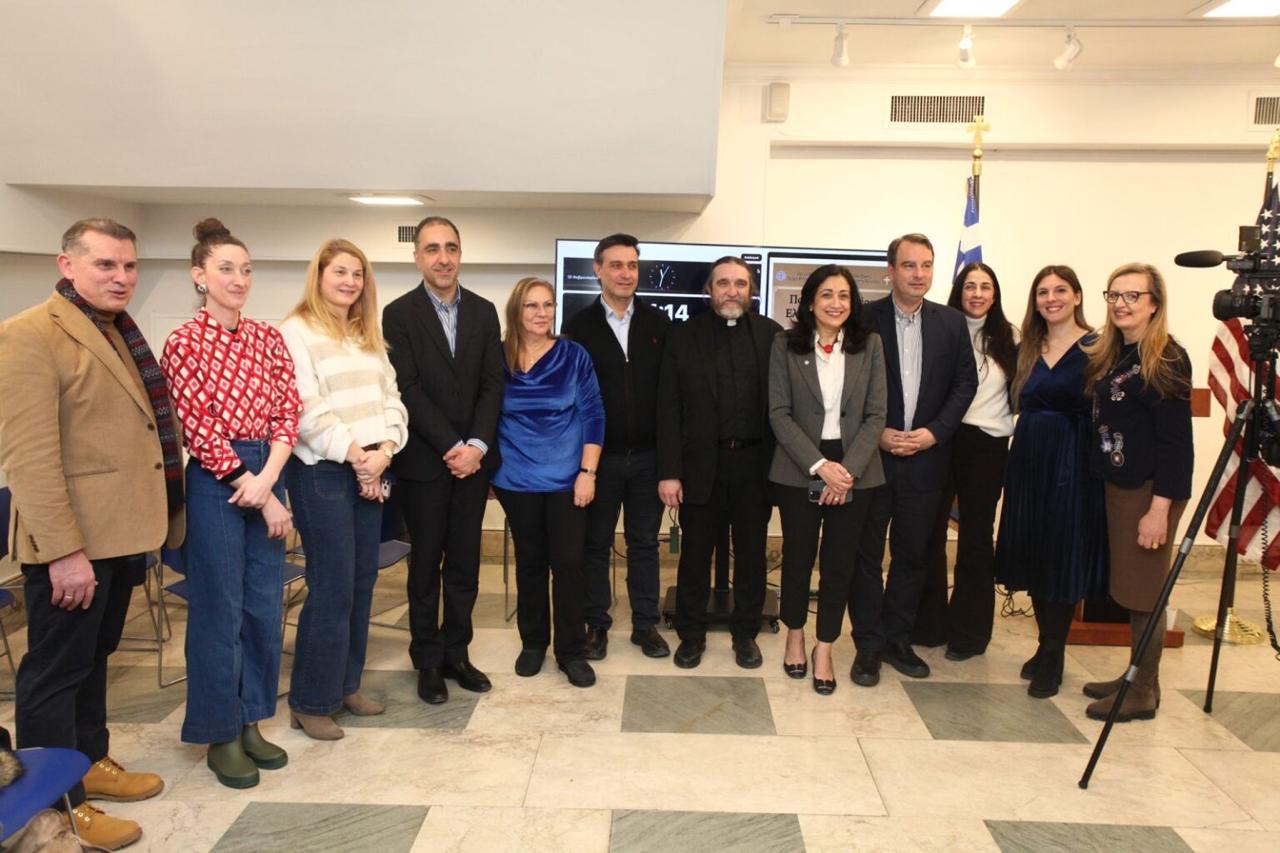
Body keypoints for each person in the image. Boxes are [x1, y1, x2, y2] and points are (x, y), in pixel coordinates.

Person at [0, 219, 184, 849]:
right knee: (54, 674)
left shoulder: (116, 330)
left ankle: (89, 760)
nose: (121, 277)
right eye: (106, 264)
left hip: (121, 532)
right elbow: (30, 459)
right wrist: (63, 553)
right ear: (67, 264)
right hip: (73, 545)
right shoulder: (29, 335)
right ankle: (54, 808)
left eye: (129, 265)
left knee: (95, 658)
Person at [162, 218, 301, 788]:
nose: (238, 279)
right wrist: (257, 490)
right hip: (218, 481)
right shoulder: (183, 343)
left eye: (245, 270)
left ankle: (251, 720)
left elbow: (288, 412)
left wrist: (268, 480)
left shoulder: (268, 337)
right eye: (225, 269)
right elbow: (199, 428)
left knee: (264, 606)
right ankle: (219, 731)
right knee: (220, 611)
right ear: (199, 276)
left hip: (268, 468)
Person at [280, 239, 408, 739]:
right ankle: (311, 701)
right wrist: (358, 457)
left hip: (371, 468)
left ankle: (346, 685)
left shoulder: (365, 334)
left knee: (360, 584)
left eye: (357, 274)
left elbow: (392, 398)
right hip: (324, 474)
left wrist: (385, 451)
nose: (350, 282)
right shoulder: (296, 331)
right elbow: (305, 407)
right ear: (319, 276)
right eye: (340, 272)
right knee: (331, 587)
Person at [382, 216, 504, 706]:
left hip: (473, 464)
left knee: (465, 564)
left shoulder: (484, 312)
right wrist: (452, 445)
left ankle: (457, 653)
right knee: (425, 566)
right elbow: (407, 388)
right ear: (417, 258)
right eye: (432, 249)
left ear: (460, 254)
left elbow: (493, 384)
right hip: (425, 464)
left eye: (450, 247)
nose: (443, 257)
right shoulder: (398, 314)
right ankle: (428, 661)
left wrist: (476, 446)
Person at [851, 235, 977, 687]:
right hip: (873, 460)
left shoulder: (951, 323)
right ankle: (868, 644)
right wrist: (877, 433)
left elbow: (964, 384)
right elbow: (847, 386)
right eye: (908, 265)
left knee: (913, 556)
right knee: (865, 556)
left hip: (926, 461)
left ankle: (896, 639)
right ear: (890, 271)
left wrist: (934, 433)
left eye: (926, 265)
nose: (918, 274)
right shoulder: (863, 319)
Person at [657, 257, 783, 670]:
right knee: (695, 556)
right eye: (723, 283)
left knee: (751, 555)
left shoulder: (772, 336)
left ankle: (745, 634)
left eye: (740, 284)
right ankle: (691, 635)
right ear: (709, 290)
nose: (732, 291)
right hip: (700, 466)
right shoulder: (683, 337)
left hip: (754, 465)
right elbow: (668, 409)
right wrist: (669, 471)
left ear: (751, 291)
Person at [1081, 263, 1192, 722]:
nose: (1121, 304)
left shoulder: (1165, 357)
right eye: (1114, 295)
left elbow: (1175, 441)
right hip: (1121, 485)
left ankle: (1142, 690)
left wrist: (1159, 509)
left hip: (1149, 491)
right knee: (1130, 585)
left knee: (1144, 591)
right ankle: (1138, 676)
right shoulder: (1119, 351)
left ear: (1154, 303)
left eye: (1133, 296)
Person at [768, 265, 886, 695]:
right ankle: (795, 637)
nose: (836, 303)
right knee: (798, 557)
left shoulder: (869, 345)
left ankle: (825, 648)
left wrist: (846, 471)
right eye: (827, 295)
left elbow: (876, 414)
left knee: (840, 564)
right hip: (800, 466)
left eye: (844, 296)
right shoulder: (785, 345)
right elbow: (779, 413)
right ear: (810, 301)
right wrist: (820, 466)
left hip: (856, 469)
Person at [994, 265, 1108, 699]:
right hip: (1029, 459)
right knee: (1036, 552)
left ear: (1077, 296)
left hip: (1073, 461)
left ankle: (1054, 653)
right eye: (1043, 292)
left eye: (1061, 290)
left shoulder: (1099, 346)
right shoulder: (1027, 347)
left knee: (1062, 554)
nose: (1051, 298)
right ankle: (1045, 644)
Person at [562, 233, 671, 660]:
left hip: (648, 459)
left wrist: (670, 463)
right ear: (598, 270)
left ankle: (645, 625)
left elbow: (671, 399)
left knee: (644, 544)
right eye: (616, 265)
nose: (626, 273)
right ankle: (596, 625)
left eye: (632, 265)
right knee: (595, 545)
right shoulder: (577, 327)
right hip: (599, 460)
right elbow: (571, 399)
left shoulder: (660, 325)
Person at [492, 277, 605, 687]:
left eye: (548, 305)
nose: (542, 313)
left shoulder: (573, 355)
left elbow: (594, 415)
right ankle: (533, 643)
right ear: (516, 311)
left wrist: (588, 473)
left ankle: (571, 650)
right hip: (514, 480)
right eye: (532, 306)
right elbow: (485, 410)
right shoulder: (498, 356)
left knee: (569, 564)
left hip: (567, 480)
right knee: (530, 563)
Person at [914, 262, 1018, 660]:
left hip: (987, 445)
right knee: (930, 533)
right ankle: (928, 625)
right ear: (959, 290)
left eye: (985, 287)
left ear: (995, 294)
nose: (977, 294)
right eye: (970, 286)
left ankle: (969, 634)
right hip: (943, 439)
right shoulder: (940, 330)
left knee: (975, 539)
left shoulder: (1011, 338)